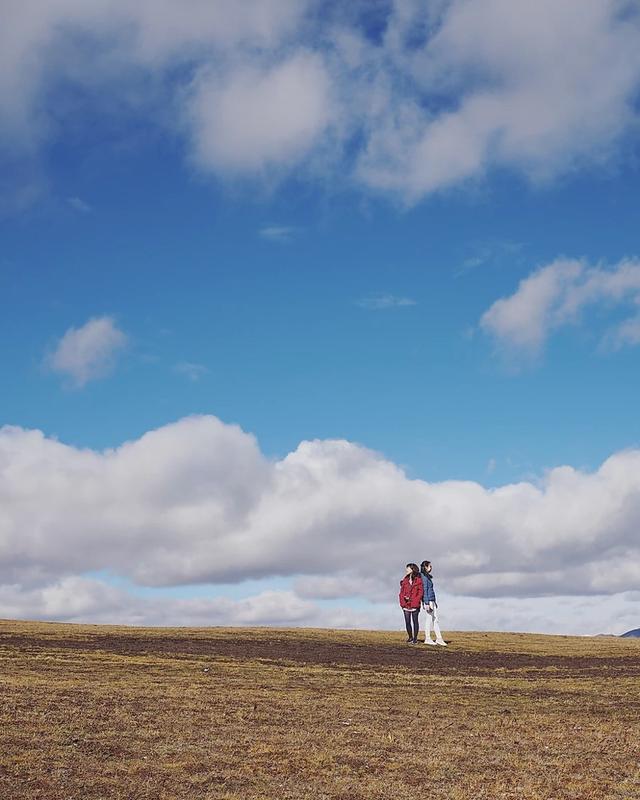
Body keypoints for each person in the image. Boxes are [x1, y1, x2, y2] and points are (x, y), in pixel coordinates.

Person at [420, 560, 447, 646]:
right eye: (429, 566)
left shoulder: (427, 577)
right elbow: (424, 590)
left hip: (432, 601)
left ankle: (439, 638)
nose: (431, 568)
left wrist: (434, 602)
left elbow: (430, 590)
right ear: (425, 567)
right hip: (428, 601)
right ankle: (427, 638)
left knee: (435, 620)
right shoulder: (423, 577)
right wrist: (426, 602)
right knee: (429, 620)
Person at [399, 563, 423, 644]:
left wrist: (414, 600)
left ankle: (415, 638)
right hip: (406, 605)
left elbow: (420, 593)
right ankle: (410, 637)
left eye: (408, 568)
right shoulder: (405, 580)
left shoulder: (418, 580)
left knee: (415, 621)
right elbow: (401, 592)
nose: (406, 570)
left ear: (412, 569)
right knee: (407, 622)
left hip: (414, 605)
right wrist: (402, 602)